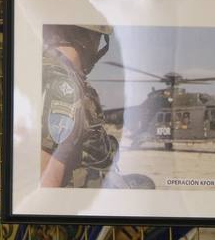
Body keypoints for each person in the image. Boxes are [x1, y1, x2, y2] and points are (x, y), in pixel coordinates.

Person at [39, 23, 152, 191]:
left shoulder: (48, 70)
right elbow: (45, 175)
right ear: (89, 38)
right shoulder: (63, 87)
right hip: (83, 195)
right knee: (146, 186)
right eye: (98, 39)